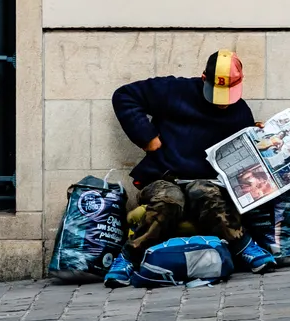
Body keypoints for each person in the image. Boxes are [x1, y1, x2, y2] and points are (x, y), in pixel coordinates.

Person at [103, 49, 278, 287]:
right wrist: (147, 137)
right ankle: (128, 257)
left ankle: (244, 246)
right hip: (163, 176)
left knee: (206, 193)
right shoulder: (174, 91)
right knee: (169, 199)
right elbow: (124, 96)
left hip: (205, 180)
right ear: (204, 78)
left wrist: (258, 137)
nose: (223, 103)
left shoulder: (240, 111)